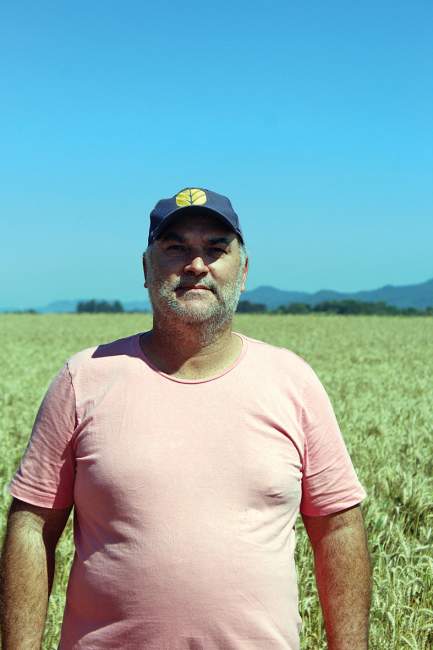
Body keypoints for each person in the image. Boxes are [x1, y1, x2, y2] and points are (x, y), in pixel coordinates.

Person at [0, 187, 371, 649]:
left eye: (216, 249)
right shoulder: (84, 378)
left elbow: (338, 525)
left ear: (244, 270)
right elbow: (31, 525)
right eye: (176, 248)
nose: (197, 265)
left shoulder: (293, 382)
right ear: (145, 268)